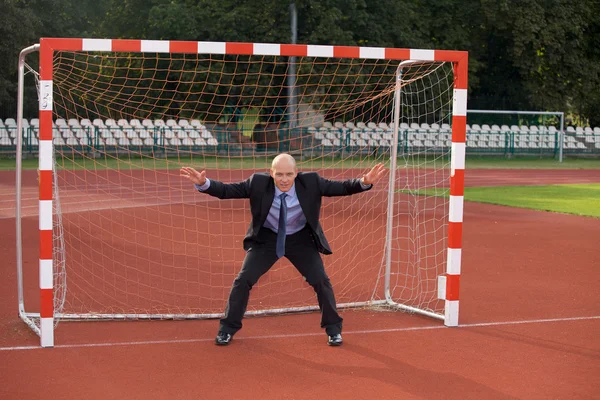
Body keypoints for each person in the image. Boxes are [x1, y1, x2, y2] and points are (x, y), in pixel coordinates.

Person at [180, 154, 386, 346]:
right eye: (279, 174)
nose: (284, 179)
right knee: (243, 280)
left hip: (301, 240)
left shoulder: (311, 182)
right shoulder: (258, 183)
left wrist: (365, 181)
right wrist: (203, 184)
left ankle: (333, 330)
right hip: (267, 239)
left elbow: (341, 188)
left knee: (321, 280)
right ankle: (227, 328)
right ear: (271, 173)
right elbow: (227, 191)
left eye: (289, 174)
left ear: (296, 173)